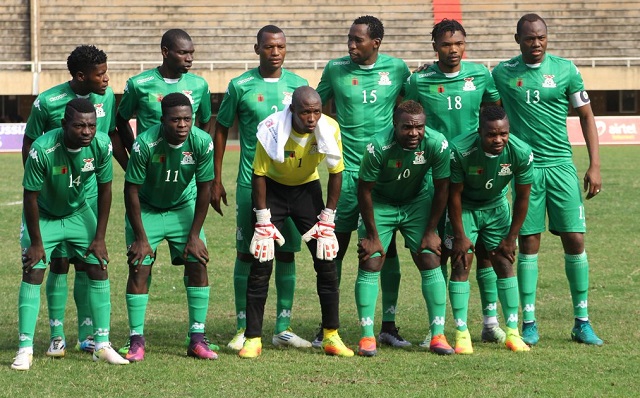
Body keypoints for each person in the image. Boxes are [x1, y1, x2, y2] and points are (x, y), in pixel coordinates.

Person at [492, 13, 603, 346]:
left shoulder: (566, 70)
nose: (536, 43)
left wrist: (594, 165)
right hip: (525, 169)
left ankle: (581, 321)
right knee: (529, 244)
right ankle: (529, 322)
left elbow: (586, 116)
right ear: (518, 40)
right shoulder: (502, 73)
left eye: (541, 37)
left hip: (561, 166)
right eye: (529, 38)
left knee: (575, 240)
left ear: (547, 37)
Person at [403, 19, 506, 347]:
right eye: (446, 44)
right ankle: (440, 328)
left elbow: (494, 113)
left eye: (459, 43)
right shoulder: (419, 80)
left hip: (474, 175)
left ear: (465, 44)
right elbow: (407, 116)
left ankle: (490, 322)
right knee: (441, 251)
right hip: (435, 177)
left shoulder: (481, 75)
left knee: (484, 251)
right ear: (435, 47)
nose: (453, 50)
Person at [116, 28, 217, 353]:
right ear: (165, 51)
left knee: (197, 259)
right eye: (183, 52)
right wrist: (142, 238)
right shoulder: (141, 91)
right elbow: (120, 122)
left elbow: (204, 186)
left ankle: (197, 338)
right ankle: (136, 340)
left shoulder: (200, 134)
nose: (189, 58)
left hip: (182, 202)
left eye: (192, 52)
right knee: (139, 263)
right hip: (146, 200)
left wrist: (195, 234)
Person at [212, 25, 310, 351]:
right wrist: (215, 178)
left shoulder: (299, 86)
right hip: (249, 183)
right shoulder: (240, 85)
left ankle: (283, 326)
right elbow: (222, 128)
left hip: (290, 184)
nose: (276, 52)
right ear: (257, 49)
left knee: (286, 252)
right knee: (247, 252)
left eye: (281, 46)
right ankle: (243, 326)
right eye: (269, 47)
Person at [315, 15, 411, 348]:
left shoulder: (397, 69)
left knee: (387, 249)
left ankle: (388, 324)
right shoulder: (334, 69)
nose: (351, 45)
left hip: (384, 177)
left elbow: (412, 105)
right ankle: (330, 325)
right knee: (334, 251)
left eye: (358, 40)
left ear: (376, 43)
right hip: (346, 172)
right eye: (349, 40)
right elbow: (316, 107)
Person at [12, 98, 129, 370]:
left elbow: (106, 190)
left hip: (78, 214)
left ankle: (102, 344)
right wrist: (37, 244)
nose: (86, 131)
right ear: (65, 124)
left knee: (98, 265)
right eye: (79, 126)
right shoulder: (43, 149)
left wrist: (99, 238)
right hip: (44, 215)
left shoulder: (101, 144)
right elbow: (30, 197)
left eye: (91, 125)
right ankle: (25, 348)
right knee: (34, 269)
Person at [21, 45, 122, 356]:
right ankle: (57, 334)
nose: (106, 79)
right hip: (55, 189)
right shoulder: (48, 102)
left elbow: (112, 135)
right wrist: (49, 184)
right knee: (60, 263)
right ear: (81, 76)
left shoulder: (106, 98)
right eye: (100, 74)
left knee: (88, 262)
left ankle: (89, 334)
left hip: (88, 191)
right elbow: (29, 145)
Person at [239, 86, 353, 358]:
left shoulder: (329, 128)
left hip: (306, 191)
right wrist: (262, 218)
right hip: (273, 191)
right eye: (305, 112)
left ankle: (331, 335)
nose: (312, 117)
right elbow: (259, 175)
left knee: (326, 260)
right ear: (292, 111)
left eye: (316, 111)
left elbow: (336, 171)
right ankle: (253, 338)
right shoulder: (270, 129)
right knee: (261, 261)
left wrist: (328, 216)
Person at [356, 100, 453, 356]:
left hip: (416, 201)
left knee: (430, 258)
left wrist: (431, 231)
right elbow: (364, 190)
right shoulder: (378, 146)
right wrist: (374, 237)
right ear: (394, 125)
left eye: (419, 127)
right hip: (380, 202)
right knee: (372, 259)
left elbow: (443, 187)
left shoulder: (437, 143)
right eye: (406, 128)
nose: (414, 133)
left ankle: (438, 335)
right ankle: (367, 337)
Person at [446, 105, 533, 354]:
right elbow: (454, 195)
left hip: (496, 206)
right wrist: (460, 235)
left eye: (503, 134)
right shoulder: (460, 150)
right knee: (462, 263)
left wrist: (511, 237)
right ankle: (462, 333)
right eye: (491, 134)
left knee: (505, 262)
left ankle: (513, 333)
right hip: (465, 208)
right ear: (479, 132)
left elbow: (523, 197)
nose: (498, 139)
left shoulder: (521, 152)